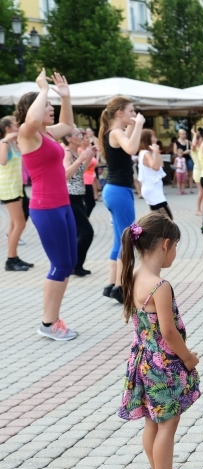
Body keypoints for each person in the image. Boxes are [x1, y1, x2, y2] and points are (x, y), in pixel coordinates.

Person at [118, 213, 202, 469]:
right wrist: (188, 358)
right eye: (176, 246)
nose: (176, 253)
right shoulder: (160, 285)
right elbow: (168, 331)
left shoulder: (133, 275)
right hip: (163, 365)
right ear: (166, 244)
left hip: (142, 361)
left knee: (153, 423)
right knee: (168, 422)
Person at [17, 69, 78, 339]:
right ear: (35, 109)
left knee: (69, 261)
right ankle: (47, 323)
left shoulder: (49, 134)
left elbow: (68, 126)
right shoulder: (27, 134)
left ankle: (53, 319)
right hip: (45, 207)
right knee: (60, 264)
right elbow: (30, 121)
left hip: (62, 205)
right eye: (47, 105)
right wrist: (43, 88)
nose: (51, 109)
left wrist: (65, 97)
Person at [99, 95, 146, 304]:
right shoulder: (116, 132)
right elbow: (132, 148)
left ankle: (112, 284)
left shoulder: (114, 131)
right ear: (119, 113)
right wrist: (140, 125)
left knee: (120, 238)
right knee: (128, 240)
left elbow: (129, 143)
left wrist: (134, 126)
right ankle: (121, 287)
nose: (134, 115)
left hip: (114, 190)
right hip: (119, 191)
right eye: (131, 112)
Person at [0, 116, 33, 272]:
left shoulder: (15, 144)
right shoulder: (4, 143)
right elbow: (3, 162)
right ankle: (10, 260)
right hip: (8, 188)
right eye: (15, 126)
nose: (19, 127)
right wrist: (6, 140)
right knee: (20, 223)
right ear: (7, 129)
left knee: (14, 224)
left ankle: (14, 257)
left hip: (17, 186)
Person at [62, 128, 96, 276]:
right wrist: (82, 159)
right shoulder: (67, 153)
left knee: (77, 233)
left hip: (78, 196)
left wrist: (89, 156)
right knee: (87, 232)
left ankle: (76, 265)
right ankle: (74, 265)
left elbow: (80, 171)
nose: (81, 136)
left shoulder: (77, 152)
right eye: (77, 135)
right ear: (68, 138)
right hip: (69, 197)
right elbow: (66, 174)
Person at [137, 129, 172, 219]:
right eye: (153, 137)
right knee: (168, 219)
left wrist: (156, 152)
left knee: (158, 221)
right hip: (153, 191)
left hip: (153, 190)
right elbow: (155, 167)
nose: (156, 139)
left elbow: (161, 164)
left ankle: (157, 233)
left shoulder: (149, 152)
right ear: (147, 139)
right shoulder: (145, 153)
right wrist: (155, 152)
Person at [80, 133, 98, 218]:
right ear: (82, 140)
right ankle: (84, 219)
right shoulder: (79, 151)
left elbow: (95, 163)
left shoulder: (88, 150)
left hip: (90, 180)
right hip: (84, 180)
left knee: (89, 203)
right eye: (86, 138)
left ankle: (84, 219)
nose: (89, 139)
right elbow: (82, 165)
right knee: (90, 203)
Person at [173, 129, 194, 193]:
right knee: (183, 174)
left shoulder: (188, 142)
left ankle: (191, 188)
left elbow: (193, 148)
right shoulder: (176, 142)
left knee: (190, 174)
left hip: (188, 158)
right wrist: (183, 153)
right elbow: (175, 152)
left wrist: (190, 150)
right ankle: (182, 188)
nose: (184, 135)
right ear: (179, 134)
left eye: (185, 134)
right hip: (180, 160)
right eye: (182, 134)